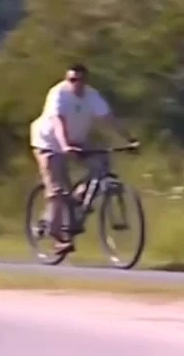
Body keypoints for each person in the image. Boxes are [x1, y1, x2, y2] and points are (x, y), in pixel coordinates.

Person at [29, 64, 135, 254]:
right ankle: (59, 237)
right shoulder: (59, 94)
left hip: (77, 140)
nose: (76, 84)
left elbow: (108, 119)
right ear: (67, 80)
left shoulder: (91, 95)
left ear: (86, 81)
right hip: (49, 143)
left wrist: (130, 139)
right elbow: (58, 121)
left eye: (81, 80)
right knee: (58, 190)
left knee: (102, 164)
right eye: (72, 80)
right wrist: (64, 145)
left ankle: (78, 198)